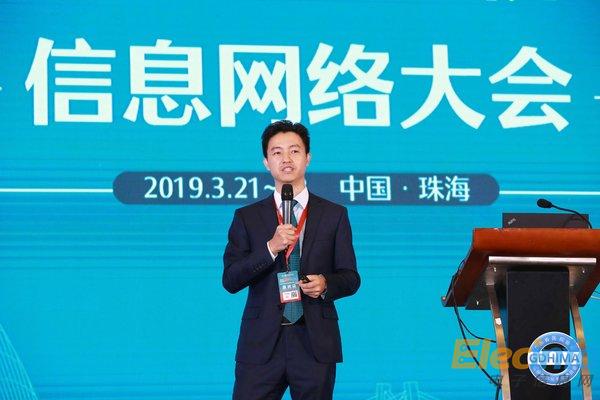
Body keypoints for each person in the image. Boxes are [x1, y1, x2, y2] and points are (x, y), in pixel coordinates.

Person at [223, 120, 360, 400]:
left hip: (315, 342)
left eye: (294, 151)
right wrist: (270, 248)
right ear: (266, 162)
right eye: (277, 152)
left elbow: (351, 277)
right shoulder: (247, 217)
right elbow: (231, 279)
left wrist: (325, 284)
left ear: (308, 157)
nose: (286, 159)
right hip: (262, 343)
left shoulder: (334, 214)